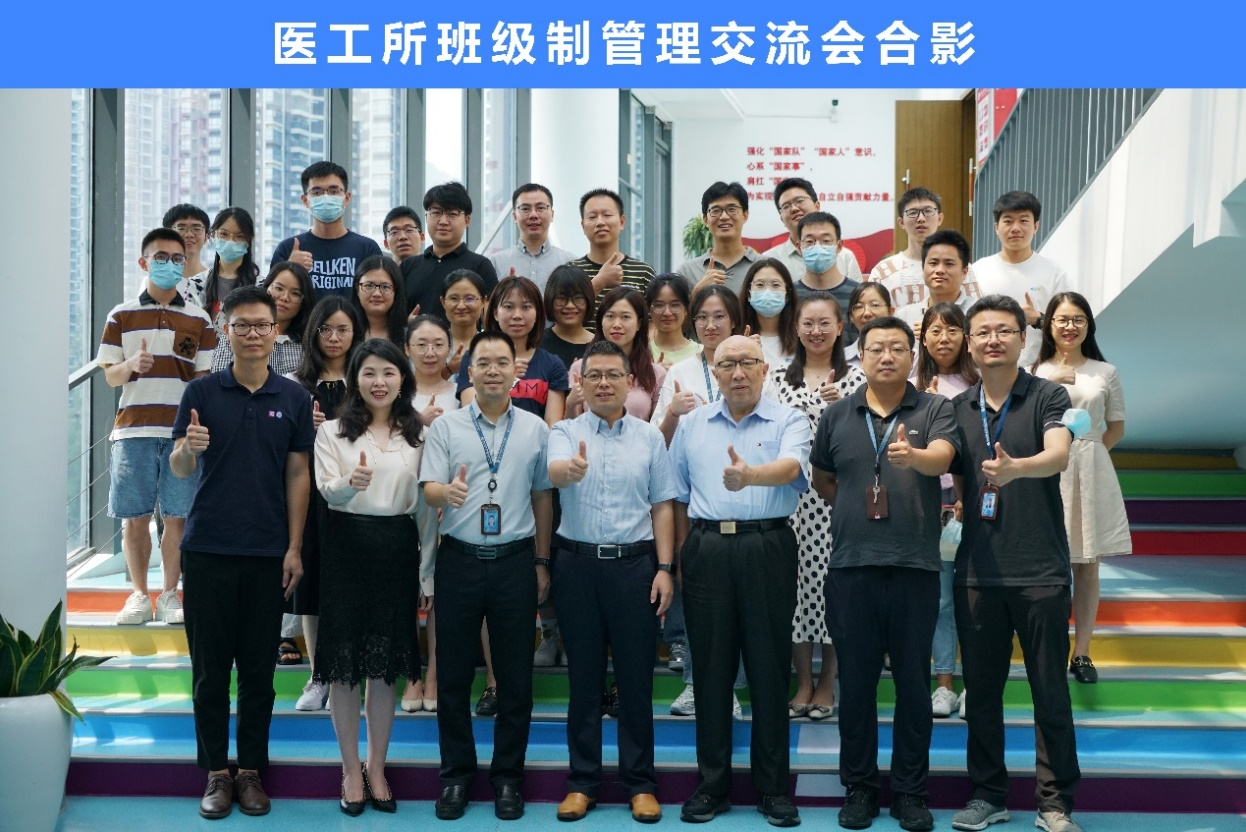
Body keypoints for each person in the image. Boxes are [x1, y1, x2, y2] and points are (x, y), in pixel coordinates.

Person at [170, 286, 314, 819]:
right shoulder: (201, 392)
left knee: (258, 674)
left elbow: (298, 474)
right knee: (210, 673)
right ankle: (215, 773)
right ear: (225, 331)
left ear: (276, 333)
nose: (252, 334)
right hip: (207, 548)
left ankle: (250, 771)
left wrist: (294, 547)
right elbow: (180, 468)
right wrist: (188, 449)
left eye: (262, 325)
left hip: (267, 552)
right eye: (242, 325)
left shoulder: (293, 398)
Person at [810, 316, 959, 832]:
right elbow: (824, 479)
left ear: (912, 356)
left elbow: (942, 457)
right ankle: (860, 788)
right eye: (876, 348)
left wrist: (914, 457)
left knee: (914, 686)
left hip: (915, 567)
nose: (887, 356)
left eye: (898, 347)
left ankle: (911, 792)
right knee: (855, 685)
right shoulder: (837, 413)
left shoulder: (934, 408)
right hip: (852, 567)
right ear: (862, 356)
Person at [948, 294, 1082, 832]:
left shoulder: (1049, 395)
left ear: (1023, 339)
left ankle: (1054, 803)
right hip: (977, 573)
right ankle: (988, 795)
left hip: (1040, 570)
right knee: (981, 695)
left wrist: (1016, 469)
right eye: (982, 332)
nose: (993, 340)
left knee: (1050, 691)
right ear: (969, 343)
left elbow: (1058, 454)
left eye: (1004, 330)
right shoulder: (957, 407)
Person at [669, 334, 810, 828]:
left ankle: (773, 790)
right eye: (726, 363)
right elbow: (677, 494)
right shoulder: (692, 423)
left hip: (767, 545)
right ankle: (712, 786)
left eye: (748, 362)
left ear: (765, 369)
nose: (737, 372)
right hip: (707, 547)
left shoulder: (788, 418)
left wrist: (751, 476)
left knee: (769, 668)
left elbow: (792, 468)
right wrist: (683, 556)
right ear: (714, 370)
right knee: (710, 671)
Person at [419, 330, 554, 822]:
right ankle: (456, 776)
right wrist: (446, 494)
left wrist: (542, 560)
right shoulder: (446, 427)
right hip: (459, 559)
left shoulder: (536, 429)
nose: (493, 370)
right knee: (454, 675)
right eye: (484, 363)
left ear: (516, 372)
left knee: (516, 678)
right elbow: (428, 489)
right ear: (469, 371)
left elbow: (542, 496)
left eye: (502, 362)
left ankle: (508, 778)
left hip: (515, 561)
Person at [547, 340, 677, 824]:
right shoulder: (564, 431)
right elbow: (555, 473)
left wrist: (665, 568)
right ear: (580, 382)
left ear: (629, 382)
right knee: (582, 680)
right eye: (594, 375)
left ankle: (640, 784)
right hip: (577, 566)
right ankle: (582, 783)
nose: (603, 383)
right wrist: (570, 470)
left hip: (635, 568)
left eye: (613, 375)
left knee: (635, 680)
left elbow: (662, 504)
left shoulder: (650, 437)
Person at [313, 338, 437, 816]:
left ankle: (378, 767)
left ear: (403, 379)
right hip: (346, 548)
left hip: (398, 550)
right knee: (344, 667)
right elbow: (327, 491)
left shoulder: (419, 436)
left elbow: (425, 511)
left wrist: (426, 574)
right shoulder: (333, 432)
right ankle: (350, 770)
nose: (379, 382)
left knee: (384, 669)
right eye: (369, 373)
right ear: (354, 380)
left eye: (388, 372)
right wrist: (351, 485)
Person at [98, 227, 217, 626]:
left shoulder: (199, 318)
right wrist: (131, 365)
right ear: (144, 262)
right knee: (134, 518)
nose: (170, 264)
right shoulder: (121, 314)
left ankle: (168, 594)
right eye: (161, 257)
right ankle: (137, 594)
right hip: (133, 430)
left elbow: (202, 380)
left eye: (177, 258)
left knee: (178, 517)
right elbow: (110, 375)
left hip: (180, 434)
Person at [764, 292, 865, 722]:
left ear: (841, 328)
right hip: (787, 500)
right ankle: (803, 681)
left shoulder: (858, 380)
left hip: (836, 498)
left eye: (825, 323)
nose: (816, 331)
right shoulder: (776, 378)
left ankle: (828, 682)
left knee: (832, 591)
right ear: (796, 328)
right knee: (793, 591)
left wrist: (839, 408)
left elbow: (866, 438)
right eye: (808, 323)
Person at [1032, 292, 1130, 685]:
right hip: (1045, 468)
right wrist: (1048, 382)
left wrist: (1088, 454)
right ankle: (1049, 647)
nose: (1070, 326)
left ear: (1089, 325)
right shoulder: (1033, 370)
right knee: (1047, 564)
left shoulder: (1105, 371)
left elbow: (1116, 426)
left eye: (1078, 319)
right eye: (1062, 319)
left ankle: (1082, 652)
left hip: (1090, 468)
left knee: (1088, 566)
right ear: (1048, 325)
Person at [289, 297, 365, 712]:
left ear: (356, 334)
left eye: (342, 330)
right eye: (325, 329)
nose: (334, 338)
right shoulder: (294, 384)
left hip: (360, 497)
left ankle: (348, 674)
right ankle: (319, 676)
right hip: (311, 499)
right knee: (314, 589)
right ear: (313, 333)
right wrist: (306, 429)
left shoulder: (366, 380)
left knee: (352, 589)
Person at [913, 303, 979, 717]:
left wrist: (966, 496)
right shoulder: (911, 386)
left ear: (966, 337)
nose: (943, 338)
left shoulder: (981, 385)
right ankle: (943, 684)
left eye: (952, 329)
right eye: (935, 330)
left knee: (973, 598)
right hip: (926, 503)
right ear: (922, 338)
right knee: (939, 600)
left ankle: (976, 683)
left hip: (971, 501)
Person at [400, 315, 462, 713]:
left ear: (450, 348)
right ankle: (411, 674)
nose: (430, 352)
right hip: (400, 502)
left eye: (438, 344)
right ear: (407, 348)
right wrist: (416, 423)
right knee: (404, 588)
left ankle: (435, 673)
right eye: (421, 344)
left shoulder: (462, 393)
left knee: (442, 590)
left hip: (448, 503)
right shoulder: (393, 389)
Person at [971, 191, 1075, 369]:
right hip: (987, 371)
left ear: (1036, 226)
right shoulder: (978, 271)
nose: (1016, 228)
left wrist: (1039, 319)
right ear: (996, 227)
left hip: (1040, 371)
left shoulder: (1055, 273)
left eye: (1024, 221)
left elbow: (1071, 326)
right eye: (1008, 221)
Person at [457, 275, 569, 426]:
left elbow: (552, 426)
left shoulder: (552, 365)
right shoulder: (473, 357)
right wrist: (506, 375)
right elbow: (471, 414)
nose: (517, 316)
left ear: (537, 313)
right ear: (495, 313)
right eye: (509, 307)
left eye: (526, 307)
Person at [271, 161, 382, 298]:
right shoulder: (288, 249)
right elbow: (272, 300)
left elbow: (377, 297)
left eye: (333, 191)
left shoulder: (367, 249)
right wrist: (290, 268)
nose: (325, 198)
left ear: (346, 198)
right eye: (316, 193)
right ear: (305, 200)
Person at [652, 285, 744, 445]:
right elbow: (656, 440)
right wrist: (673, 413)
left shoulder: (750, 369)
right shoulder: (678, 373)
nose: (710, 325)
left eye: (719, 316)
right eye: (702, 317)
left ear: (733, 321)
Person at [868, 187, 981, 310]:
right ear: (901, 222)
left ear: (940, 219)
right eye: (912, 213)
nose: (921, 218)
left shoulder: (960, 268)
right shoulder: (883, 272)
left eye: (928, 211)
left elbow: (974, 312)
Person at [401, 182, 499, 320]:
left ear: (467, 220)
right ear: (426, 217)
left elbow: (490, 319)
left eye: (452, 214)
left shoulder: (480, 265)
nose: (443, 221)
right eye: (436, 213)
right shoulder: (408, 266)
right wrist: (407, 324)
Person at [567, 288, 666, 422]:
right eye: (610, 316)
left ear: (639, 323)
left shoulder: (656, 374)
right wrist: (571, 404)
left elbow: (658, 429)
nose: (617, 324)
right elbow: (571, 426)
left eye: (625, 317)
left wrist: (673, 413)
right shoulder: (580, 368)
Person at [569, 188, 655, 327]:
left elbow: (652, 324)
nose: (600, 222)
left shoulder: (643, 272)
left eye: (607, 215)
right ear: (583, 226)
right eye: (592, 217)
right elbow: (565, 317)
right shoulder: (571, 271)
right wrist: (600, 282)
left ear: (622, 222)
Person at [213, 262, 315, 374]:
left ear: (304, 301)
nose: (285, 298)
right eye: (279, 288)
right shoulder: (238, 332)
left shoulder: (309, 343)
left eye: (295, 293)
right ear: (266, 287)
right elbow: (219, 378)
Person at [764, 177, 863, 282]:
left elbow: (857, 292)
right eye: (786, 206)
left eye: (799, 201)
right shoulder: (769, 260)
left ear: (817, 206)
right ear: (781, 218)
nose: (794, 209)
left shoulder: (845, 257)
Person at [676, 181, 762, 297]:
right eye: (715, 211)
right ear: (705, 219)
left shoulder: (765, 266)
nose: (724, 217)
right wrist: (698, 292)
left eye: (732, 209)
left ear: (745, 215)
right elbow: (677, 308)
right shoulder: (687, 271)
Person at [181, 207, 260, 325]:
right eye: (224, 234)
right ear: (213, 235)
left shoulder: (262, 286)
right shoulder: (195, 285)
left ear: (250, 240)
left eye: (239, 236)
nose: (230, 241)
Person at [490, 183, 575, 293]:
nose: (533, 215)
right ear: (515, 216)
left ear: (552, 214)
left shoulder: (570, 262)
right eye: (525, 209)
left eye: (540, 208)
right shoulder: (495, 263)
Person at [794, 212, 861, 343]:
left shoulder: (858, 295)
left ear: (839, 246)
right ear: (799, 247)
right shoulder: (789, 295)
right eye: (809, 241)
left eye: (826, 241)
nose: (817, 247)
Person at [895, 230, 976, 332]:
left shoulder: (978, 312)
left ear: (964, 272)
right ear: (923, 269)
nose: (939, 270)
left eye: (949, 264)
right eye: (933, 263)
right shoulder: (905, 316)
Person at [739, 258, 799, 370]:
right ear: (748, 294)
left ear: (787, 295)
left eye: (775, 285)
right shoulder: (736, 337)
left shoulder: (802, 336)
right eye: (760, 285)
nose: (768, 292)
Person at [540, 264, 597, 370]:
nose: (570, 305)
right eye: (561, 299)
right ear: (550, 300)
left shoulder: (600, 346)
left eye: (578, 298)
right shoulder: (537, 344)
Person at [440, 269, 490, 376]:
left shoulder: (494, 345)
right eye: (454, 299)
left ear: (483, 302)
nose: (461, 306)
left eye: (470, 298)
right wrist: (449, 370)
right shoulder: (431, 345)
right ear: (443, 302)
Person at [350, 255, 407, 347]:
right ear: (357, 290)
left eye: (385, 287)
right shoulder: (344, 333)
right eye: (369, 285)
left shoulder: (409, 336)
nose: (377, 294)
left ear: (396, 291)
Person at [647, 274, 702, 369]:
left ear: (686, 309)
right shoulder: (641, 353)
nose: (667, 312)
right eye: (659, 305)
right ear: (649, 310)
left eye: (675, 305)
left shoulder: (701, 352)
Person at [165, 203, 212, 291]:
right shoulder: (156, 283)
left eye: (196, 229)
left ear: (206, 237)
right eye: (181, 228)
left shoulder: (214, 282)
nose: (189, 234)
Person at [845, 283, 894, 369]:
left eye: (875, 305)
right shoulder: (840, 359)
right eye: (859, 307)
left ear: (890, 312)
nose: (867, 313)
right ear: (851, 316)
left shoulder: (910, 356)